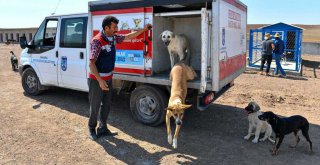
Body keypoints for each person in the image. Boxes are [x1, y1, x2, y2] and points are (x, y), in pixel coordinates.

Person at [88, 16, 152, 140]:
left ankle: (103, 128)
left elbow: (128, 36)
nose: (117, 29)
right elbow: (91, 63)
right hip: (96, 80)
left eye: (117, 26)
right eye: (114, 27)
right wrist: (100, 81)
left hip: (108, 78)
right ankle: (91, 128)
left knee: (106, 105)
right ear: (106, 28)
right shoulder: (97, 41)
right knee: (95, 106)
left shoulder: (113, 38)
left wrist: (144, 30)